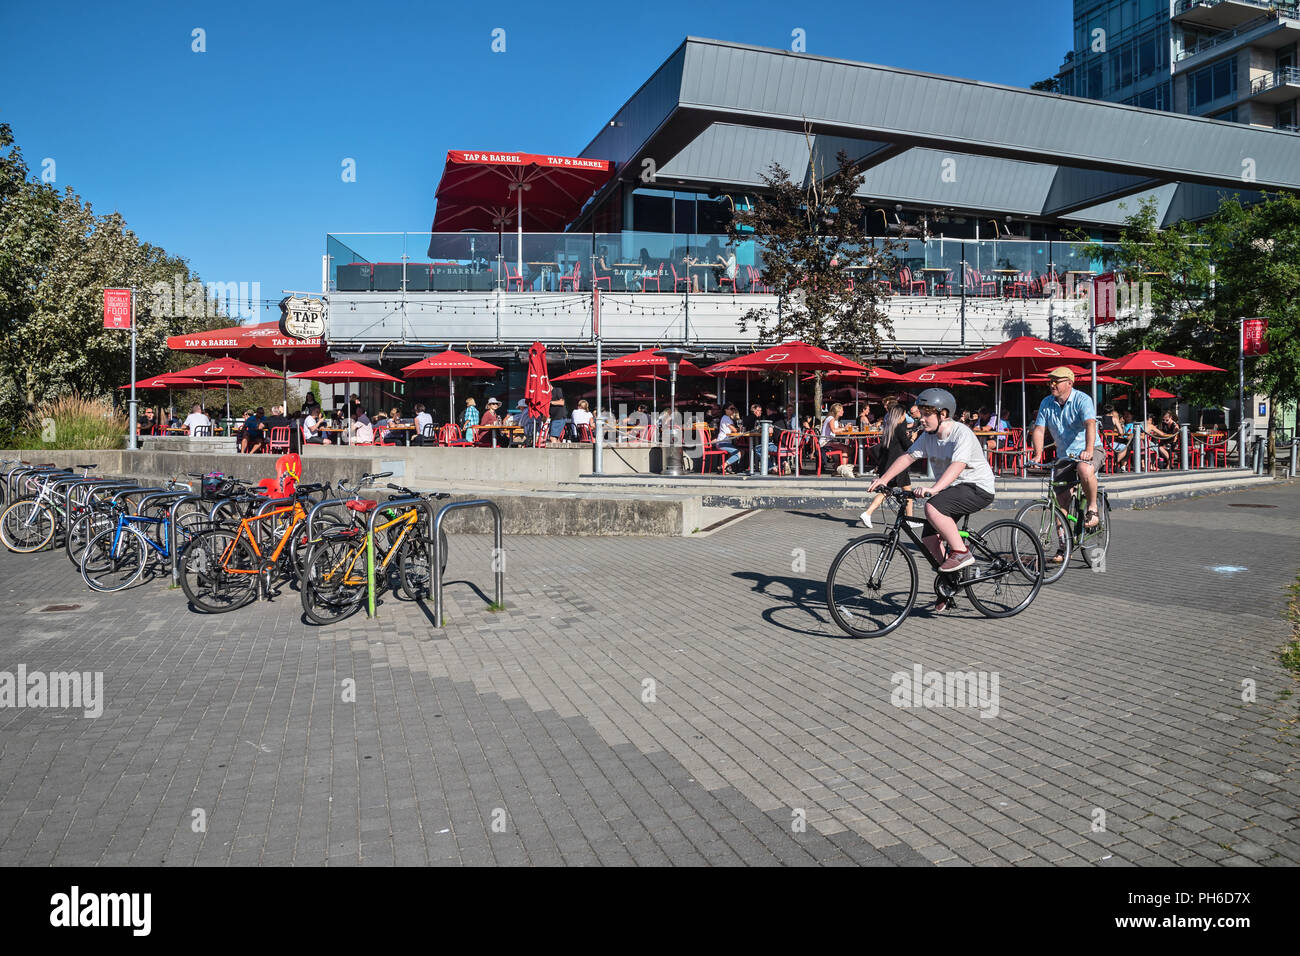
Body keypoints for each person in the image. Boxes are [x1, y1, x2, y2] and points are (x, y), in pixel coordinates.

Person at [869, 388, 997, 610]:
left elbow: (958, 466)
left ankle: (961, 552)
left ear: (944, 414)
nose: (921, 417)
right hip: (952, 490)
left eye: (927, 413)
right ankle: (950, 582)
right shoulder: (928, 436)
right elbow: (908, 456)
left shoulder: (961, 433)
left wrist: (934, 488)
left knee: (933, 507)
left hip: (977, 487)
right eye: (922, 412)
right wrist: (884, 479)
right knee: (929, 539)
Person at [1029, 366, 1105, 556]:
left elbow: (1090, 424)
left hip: (1090, 449)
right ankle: (1064, 546)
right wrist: (1038, 454)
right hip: (1064, 455)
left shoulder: (1082, 399)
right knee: (1059, 501)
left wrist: (1088, 450)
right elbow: (1039, 429)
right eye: (1051, 381)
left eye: (1057, 381)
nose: (1052, 384)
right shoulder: (1047, 402)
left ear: (1069, 383)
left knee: (1084, 469)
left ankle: (1093, 508)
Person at [860, 403, 914, 527]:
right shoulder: (900, 428)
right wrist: (913, 439)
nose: (905, 417)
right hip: (898, 465)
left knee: (887, 491)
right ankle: (910, 520)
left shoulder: (890, 428)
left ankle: (868, 513)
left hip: (888, 464)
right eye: (904, 414)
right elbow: (908, 446)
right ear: (900, 415)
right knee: (907, 491)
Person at [817, 402, 854, 472]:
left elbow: (835, 430)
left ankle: (838, 466)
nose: (843, 411)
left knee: (850, 449)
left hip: (829, 441)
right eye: (842, 410)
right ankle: (843, 469)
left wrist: (842, 428)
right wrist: (844, 428)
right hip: (825, 443)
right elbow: (833, 430)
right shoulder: (831, 418)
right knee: (845, 448)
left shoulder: (833, 419)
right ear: (838, 411)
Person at [715, 404, 744, 474]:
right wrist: (739, 429)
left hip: (724, 443)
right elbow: (734, 430)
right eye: (731, 409)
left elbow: (734, 429)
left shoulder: (727, 418)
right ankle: (723, 466)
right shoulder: (726, 418)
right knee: (738, 453)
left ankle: (728, 467)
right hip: (722, 443)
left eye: (734, 409)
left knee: (742, 451)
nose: (733, 410)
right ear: (726, 410)